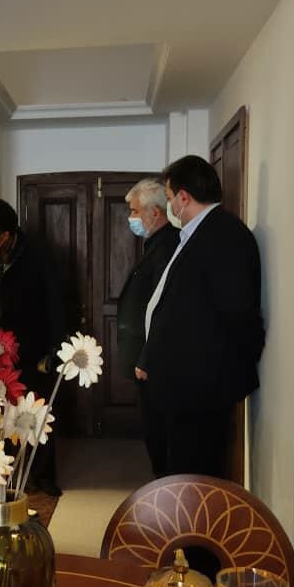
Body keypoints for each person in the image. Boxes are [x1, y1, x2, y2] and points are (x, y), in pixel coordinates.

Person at [135, 155, 264, 479]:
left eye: (169, 198)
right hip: (186, 382)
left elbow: (238, 314)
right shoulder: (199, 233)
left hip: (201, 386)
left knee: (194, 475)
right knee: (178, 467)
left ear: (183, 197)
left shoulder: (224, 236)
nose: (169, 206)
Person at [0, 198, 65, 497]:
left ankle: (43, 475)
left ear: (5, 236)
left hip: (30, 347)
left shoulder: (39, 256)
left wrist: (54, 350)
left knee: (37, 412)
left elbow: (54, 304)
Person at [115, 178, 180, 476]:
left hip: (155, 361)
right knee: (153, 432)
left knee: (160, 434)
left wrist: (146, 357)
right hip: (148, 359)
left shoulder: (168, 246)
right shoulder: (156, 243)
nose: (131, 218)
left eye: (134, 211)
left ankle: (165, 490)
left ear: (154, 212)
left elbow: (164, 307)